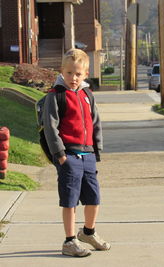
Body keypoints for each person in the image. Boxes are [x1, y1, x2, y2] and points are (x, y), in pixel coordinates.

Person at [43, 48, 110, 257]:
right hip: (69, 155)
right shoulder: (55, 96)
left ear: (86, 74)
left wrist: (96, 150)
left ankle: (88, 233)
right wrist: (60, 154)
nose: (73, 77)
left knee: (93, 198)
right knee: (70, 200)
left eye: (78, 74)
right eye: (69, 73)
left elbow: (95, 122)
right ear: (62, 71)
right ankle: (70, 241)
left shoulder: (87, 95)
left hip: (88, 154)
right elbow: (50, 127)